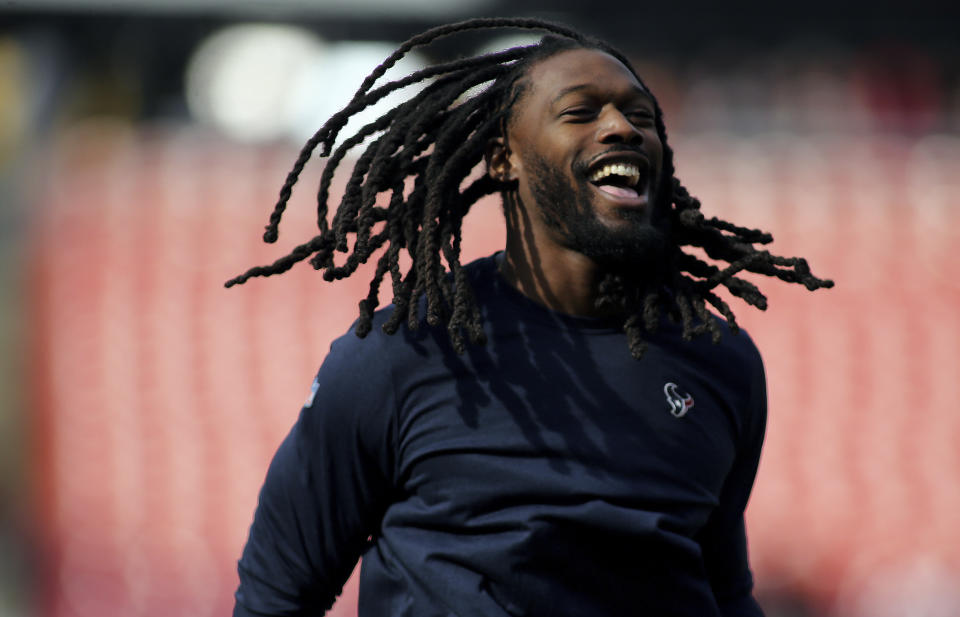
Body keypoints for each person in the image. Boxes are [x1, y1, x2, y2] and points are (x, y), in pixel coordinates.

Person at [228, 17, 832, 617]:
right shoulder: (402, 354)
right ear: (503, 160)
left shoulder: (720, 361)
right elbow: (277, 597)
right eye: (580, 112)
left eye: (640, 116)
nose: (621, 127)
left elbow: (724, 593)